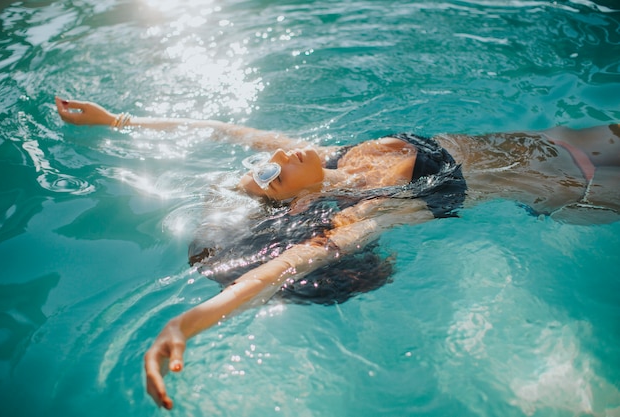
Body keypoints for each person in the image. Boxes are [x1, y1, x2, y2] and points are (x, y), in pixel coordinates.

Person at [55, 96, 620, 409]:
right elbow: (281, 269)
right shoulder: (367, 211)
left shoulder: (334, 156)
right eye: (273, 178)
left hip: (564, 140)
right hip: (580, 189)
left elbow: (224, 131)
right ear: (297, 204)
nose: (275, 160)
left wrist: (121, 120)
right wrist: (185, 323)